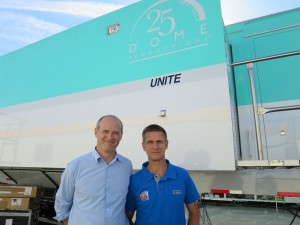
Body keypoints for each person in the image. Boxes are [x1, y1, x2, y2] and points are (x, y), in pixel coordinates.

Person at [54, 115, 133, 225]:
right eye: (105, 131)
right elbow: (61, 204)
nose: (110, 137)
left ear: (121, 135)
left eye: (115, 132)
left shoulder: (127, 166)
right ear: (96, 132)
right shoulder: (76, 166)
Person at [126, 124, 200, 225]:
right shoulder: (134, 181)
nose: (155, 147)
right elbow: (127, 218)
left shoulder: (182, 175)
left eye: (159, 142)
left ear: (166, 144)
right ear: (143, 146)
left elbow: (194, 213)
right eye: (150, 142)